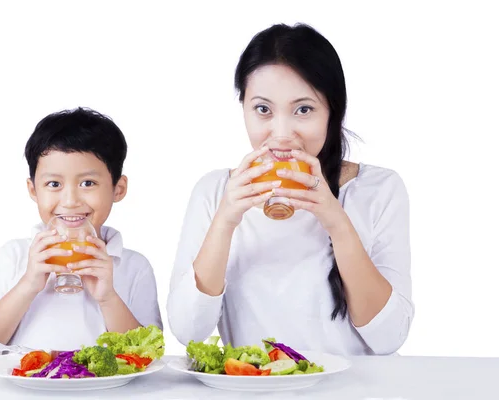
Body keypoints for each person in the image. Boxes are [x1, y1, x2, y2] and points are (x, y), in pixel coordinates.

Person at [167, 23, 413, 356]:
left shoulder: (378, 190)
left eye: (303, 110)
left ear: (332, 112)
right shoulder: (214, 192)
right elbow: (187, 331)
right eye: (263, 110)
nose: (281, 134)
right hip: (251, 389)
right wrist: (225, 220)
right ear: (244, 108)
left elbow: (389, 339)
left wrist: (335, 221)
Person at [0, 107, 162, 356]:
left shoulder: (134, 266)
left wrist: (108, 297)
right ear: (33, 190)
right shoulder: (14, 255)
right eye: (53, 184)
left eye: (88, 183)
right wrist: (28, 284)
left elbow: (150, 357)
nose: (70, 200)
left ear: (118, 189)